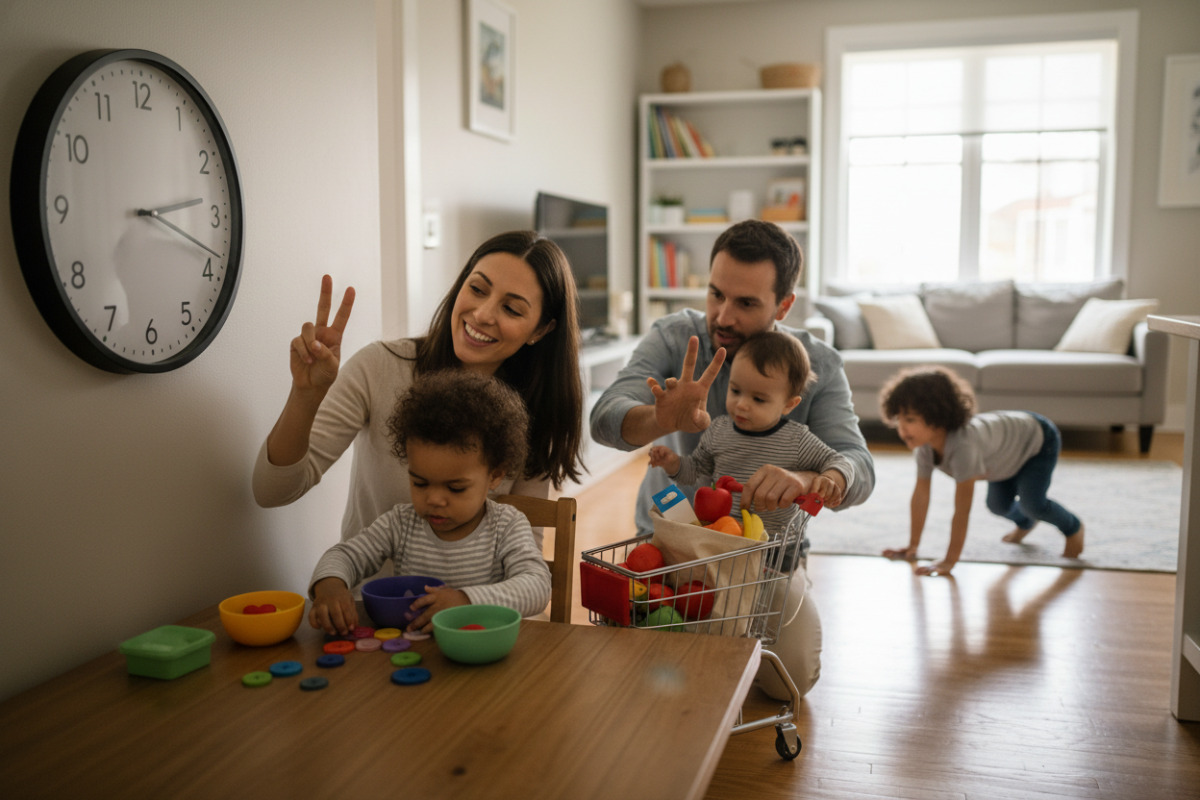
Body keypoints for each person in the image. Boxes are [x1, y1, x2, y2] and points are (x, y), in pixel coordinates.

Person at [590, 219, 875, 700]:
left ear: (784, 305)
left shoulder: (818, 364)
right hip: (671, 546)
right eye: (715, 294)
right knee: (649, 676)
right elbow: (604, 419)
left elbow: (859, 468)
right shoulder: (676, 337)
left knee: (790, 682)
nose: (722, 316)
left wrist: (805, 477)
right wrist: (660, 419)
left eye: (746, 303)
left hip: (765, 558)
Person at [253, 230, 584, 557]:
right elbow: (272, 491)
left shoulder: (535, 411)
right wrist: (305, 396)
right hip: (369, 605)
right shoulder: (379, 366)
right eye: (477, 289)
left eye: (511, 309)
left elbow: (527, 561)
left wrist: (467, 602)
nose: (483, 315)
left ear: (541, 330)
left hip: (472, 608)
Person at [308, 370, 551, 636]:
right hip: (415, 656)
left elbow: (537, 587)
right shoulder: (400, 523)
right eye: (420, 483)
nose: (434, 500)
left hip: (479, 654)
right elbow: (344, 555)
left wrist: (465, 599)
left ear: (494, 475)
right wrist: (330, 584)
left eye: (455, 488)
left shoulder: (506, 525)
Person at [878, 365, 1085, 577]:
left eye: (910, 420)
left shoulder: (964, 447)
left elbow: (962, 510)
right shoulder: (924, 448)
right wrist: (913, 546)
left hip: (1036, 440)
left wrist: (949, 561)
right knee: (997, 505)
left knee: (1033, 503)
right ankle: (1025, 522)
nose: (902, 430)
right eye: (898, 420)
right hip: (1002, 456)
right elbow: (921, 495)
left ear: (938, 417)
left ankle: (1073, 527)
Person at [648, 331, 856, 533]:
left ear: (789, 405)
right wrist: (673, 462)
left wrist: (830, 478)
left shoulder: (797, 439)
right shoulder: (718, 430)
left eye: (758, 399)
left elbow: (841, 461)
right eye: (736, 391)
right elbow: (696, 470)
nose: (742, 405)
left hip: (777, 550)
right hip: (725, 540)